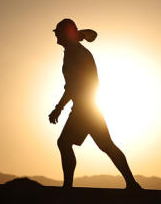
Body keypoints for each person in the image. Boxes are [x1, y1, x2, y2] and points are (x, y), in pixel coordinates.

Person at [49, 19, 142, 190]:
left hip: (84, 109)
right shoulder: (75, 51)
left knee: (64, 142)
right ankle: (132, 183)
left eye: (57, 32)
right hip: (90, 107)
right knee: (107, 145)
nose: (55, 35)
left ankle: (67, 187)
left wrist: (58, 108)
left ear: (64, 34)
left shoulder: (74, 53)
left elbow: (73, 86)